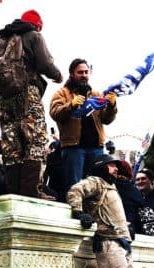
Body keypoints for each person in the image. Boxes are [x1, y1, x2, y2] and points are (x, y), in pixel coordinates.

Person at [0, 9, 62, 199]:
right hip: (28, 92)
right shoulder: (33, 35)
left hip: (4, 98)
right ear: (37, 25)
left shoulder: (1, 39)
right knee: (35, 140)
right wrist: (58, 76)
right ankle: (30, 191)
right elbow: (45, 63)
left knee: (11, 143)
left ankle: (13, 191)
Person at [49, 58, 117, 188]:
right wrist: (71, 106)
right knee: (75, 186)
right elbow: (54, 113)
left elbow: (107, 120)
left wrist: (112, 106)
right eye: (80, 72)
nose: (84, 75)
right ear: (72, 73)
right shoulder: (62, 93)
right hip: (74, 148)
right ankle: (76, 209)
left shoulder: (96, 94)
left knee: (96, 186)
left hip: (96, 148)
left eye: (86, 72)